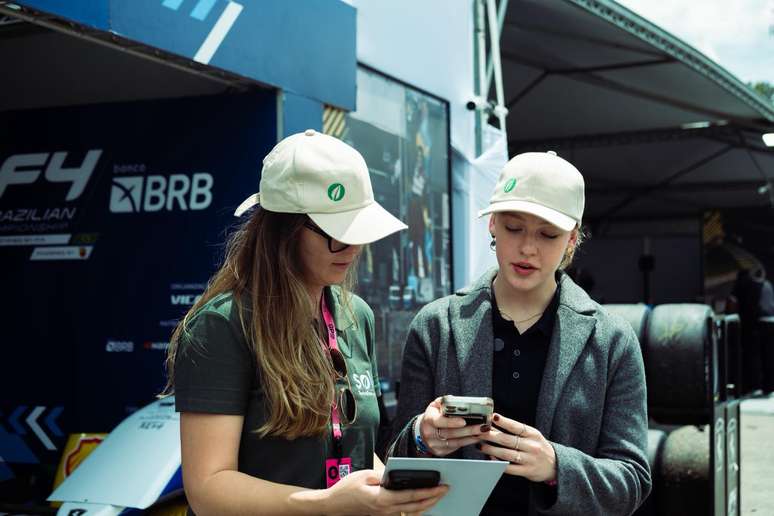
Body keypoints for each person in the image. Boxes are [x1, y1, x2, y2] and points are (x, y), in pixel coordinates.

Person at [165, 129, 448, 515]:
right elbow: (208, 488)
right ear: (283, 230)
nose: (352, 248)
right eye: (336, 234)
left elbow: (356, 455)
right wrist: (326, 504)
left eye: (358, 230)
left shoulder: (357, 315)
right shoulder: (222, 325)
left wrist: (394, 492)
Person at [387, 151, 651, 515]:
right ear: (492, 224)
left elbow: (632, 481)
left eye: (548, 234)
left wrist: (555, 465)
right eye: (514, 228)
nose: (528, 248)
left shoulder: (611, 341)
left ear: (572, 238)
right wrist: (421, 436)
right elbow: (394, 460)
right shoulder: (436, 326)